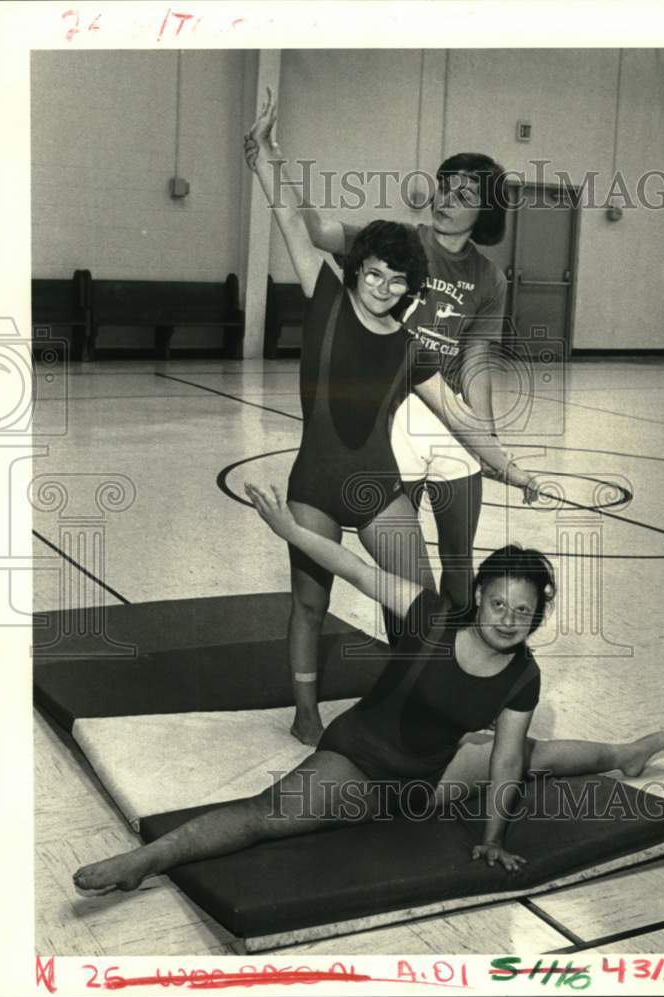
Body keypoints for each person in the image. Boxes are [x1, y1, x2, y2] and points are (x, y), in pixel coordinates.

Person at [73, 484, 664, 892]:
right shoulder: (432, 617)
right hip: (358, 760)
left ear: (536, 618)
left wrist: (493, 839)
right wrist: (289, 527)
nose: (507, 618)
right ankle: (145, 861)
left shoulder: (524, 673)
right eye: (498, 602)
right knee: (268, 816)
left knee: (526, 756)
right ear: (479, 599)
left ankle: (621, 755)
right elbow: (357, 569)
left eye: (522, 610)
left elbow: (506, 762)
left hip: (428, 780)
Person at [245, 90, 536, 747]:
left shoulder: (412, 348)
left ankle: (421, 704)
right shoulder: (326, 296)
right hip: (314, 483)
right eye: (371, 274)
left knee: (420, 602)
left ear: (411, 289)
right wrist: (264, 157)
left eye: (394, 280)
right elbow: (295, 225)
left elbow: (461, 416)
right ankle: (306, 709)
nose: (380, 284)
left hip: (375, 484)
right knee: (310, 603)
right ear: (357, 271)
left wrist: (510, 467)